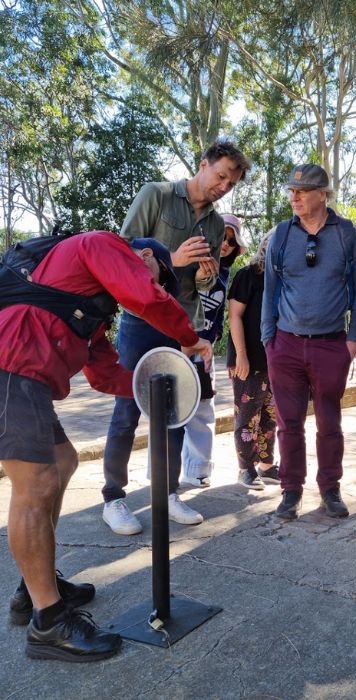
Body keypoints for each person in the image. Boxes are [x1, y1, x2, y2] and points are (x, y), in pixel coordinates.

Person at [0, 230, 212, 662]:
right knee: (36, 483)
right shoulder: (100, 244)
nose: (159, 282)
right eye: (160, 273)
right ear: (144, 255)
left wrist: (156, 387)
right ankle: (49, 623)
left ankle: (34, 585)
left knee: (62, 460)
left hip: (26, 377)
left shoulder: (91, 306)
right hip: (8, 367)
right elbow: (146, 298)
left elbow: (104, 373)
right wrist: (188, 337)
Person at [101, 140, 251, 535]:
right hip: (140, 319)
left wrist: (204, 276)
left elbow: (209, 277)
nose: (223, 186)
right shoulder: (157, 195)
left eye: (231, 183)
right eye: (220, 176)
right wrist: (172, 257)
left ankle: (166, 495)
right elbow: (122, 253)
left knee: (175, 413)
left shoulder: (218, 224)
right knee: (127, 411)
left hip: (183, 324)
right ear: (202, 165)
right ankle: (113, 498)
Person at [261, 164, 356, 520]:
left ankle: (330, 488)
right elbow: (270, 290)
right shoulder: (281, 234)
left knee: (329, 423)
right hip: (286, 344)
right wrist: (268, 340)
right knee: (288, 423)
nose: (294, 197)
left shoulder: (347, 234)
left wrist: (352, 341)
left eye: (302, 191)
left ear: (323, 194)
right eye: (291, 190)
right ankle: (291, 491)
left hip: (331, 344)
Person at [181, 214, 247, 488]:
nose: (227, 245)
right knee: (171, 410)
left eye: (232, 241)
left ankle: (197, 470)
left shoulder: (224, 273)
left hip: (204, 351)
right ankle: (165, 472)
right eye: (223, 237)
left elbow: (219, 312)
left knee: (203, 409)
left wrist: (215, 335)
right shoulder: (189, 264)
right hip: (179, 346)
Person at [228, 231, 278, 490]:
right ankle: (245, 468)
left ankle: (267, 466)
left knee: (271, 416)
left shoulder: (284, 278)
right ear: (262, 245)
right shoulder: (248, 275)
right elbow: (234, 316)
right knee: (248, 416)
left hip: (275, 359)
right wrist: (241, 356)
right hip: (247, 357)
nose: (273, 247)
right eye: (269, 242)